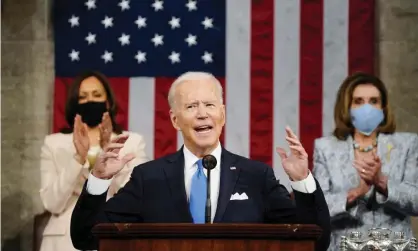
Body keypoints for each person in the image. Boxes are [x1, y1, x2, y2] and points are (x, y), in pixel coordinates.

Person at [70, 71, 331, 251]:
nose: (202, 114)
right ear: (175, 120)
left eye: (210, 105)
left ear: (223, 114)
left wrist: (302, 181)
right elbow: (85, 237)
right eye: (192, 106)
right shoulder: (148, 178)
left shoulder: (256, 176)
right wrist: (99, 180)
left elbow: (315, 240)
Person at [39, 71, 149, 251]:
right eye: (83, 97)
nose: (90, 101)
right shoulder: (54, 143)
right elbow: (52, 203)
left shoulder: (132, 141)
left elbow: (136, 197)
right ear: (75, 103)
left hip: (114, 235)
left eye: (97, 95)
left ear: (108, 101)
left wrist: (111, 152)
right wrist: (77, 159)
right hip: (62, 241)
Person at [312, 72, 418, 251]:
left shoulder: (407, 144)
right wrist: (356, 193)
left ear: (383, 107)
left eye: (374, 101)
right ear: (347, 107)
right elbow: (317, 210)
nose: (366, 108)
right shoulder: (326, 148)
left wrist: (382, 182)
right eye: (358, 101)